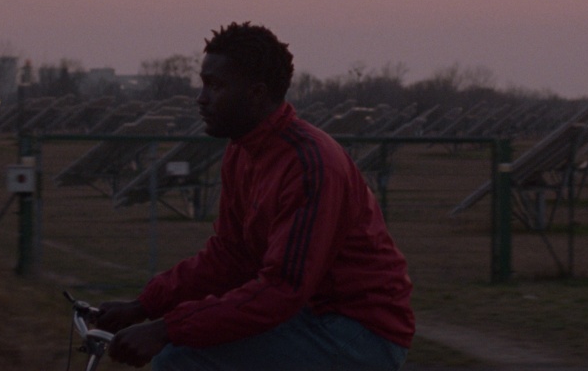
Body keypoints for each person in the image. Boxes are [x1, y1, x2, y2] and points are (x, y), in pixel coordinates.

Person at [97, 22, 415, 370]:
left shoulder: (309, 165)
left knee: (180, 360)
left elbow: (283, 289)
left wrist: (167, 329)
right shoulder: (242, 152)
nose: (202, 98)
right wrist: (144, 306)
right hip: (309, 313)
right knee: (183, 350)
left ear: (256, 93)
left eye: (216, 86)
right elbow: (231, 257)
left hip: (358, 330)